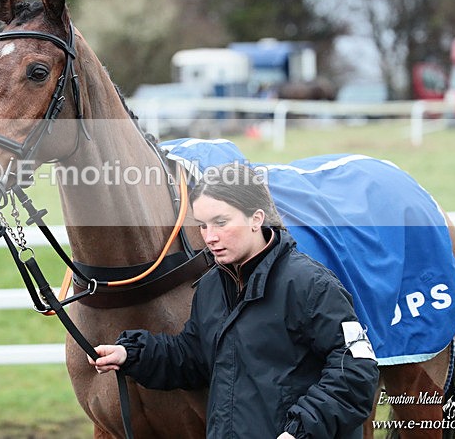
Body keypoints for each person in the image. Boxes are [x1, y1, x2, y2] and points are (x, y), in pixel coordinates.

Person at [89, 163, 379, 438]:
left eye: (220, 223)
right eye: (203, 225)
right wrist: (131, 354)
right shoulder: (210, 287)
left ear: (256, 219)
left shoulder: (312, 285)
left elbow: (356, 370)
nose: (210, 237)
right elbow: (192, 357)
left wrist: (298, 431)